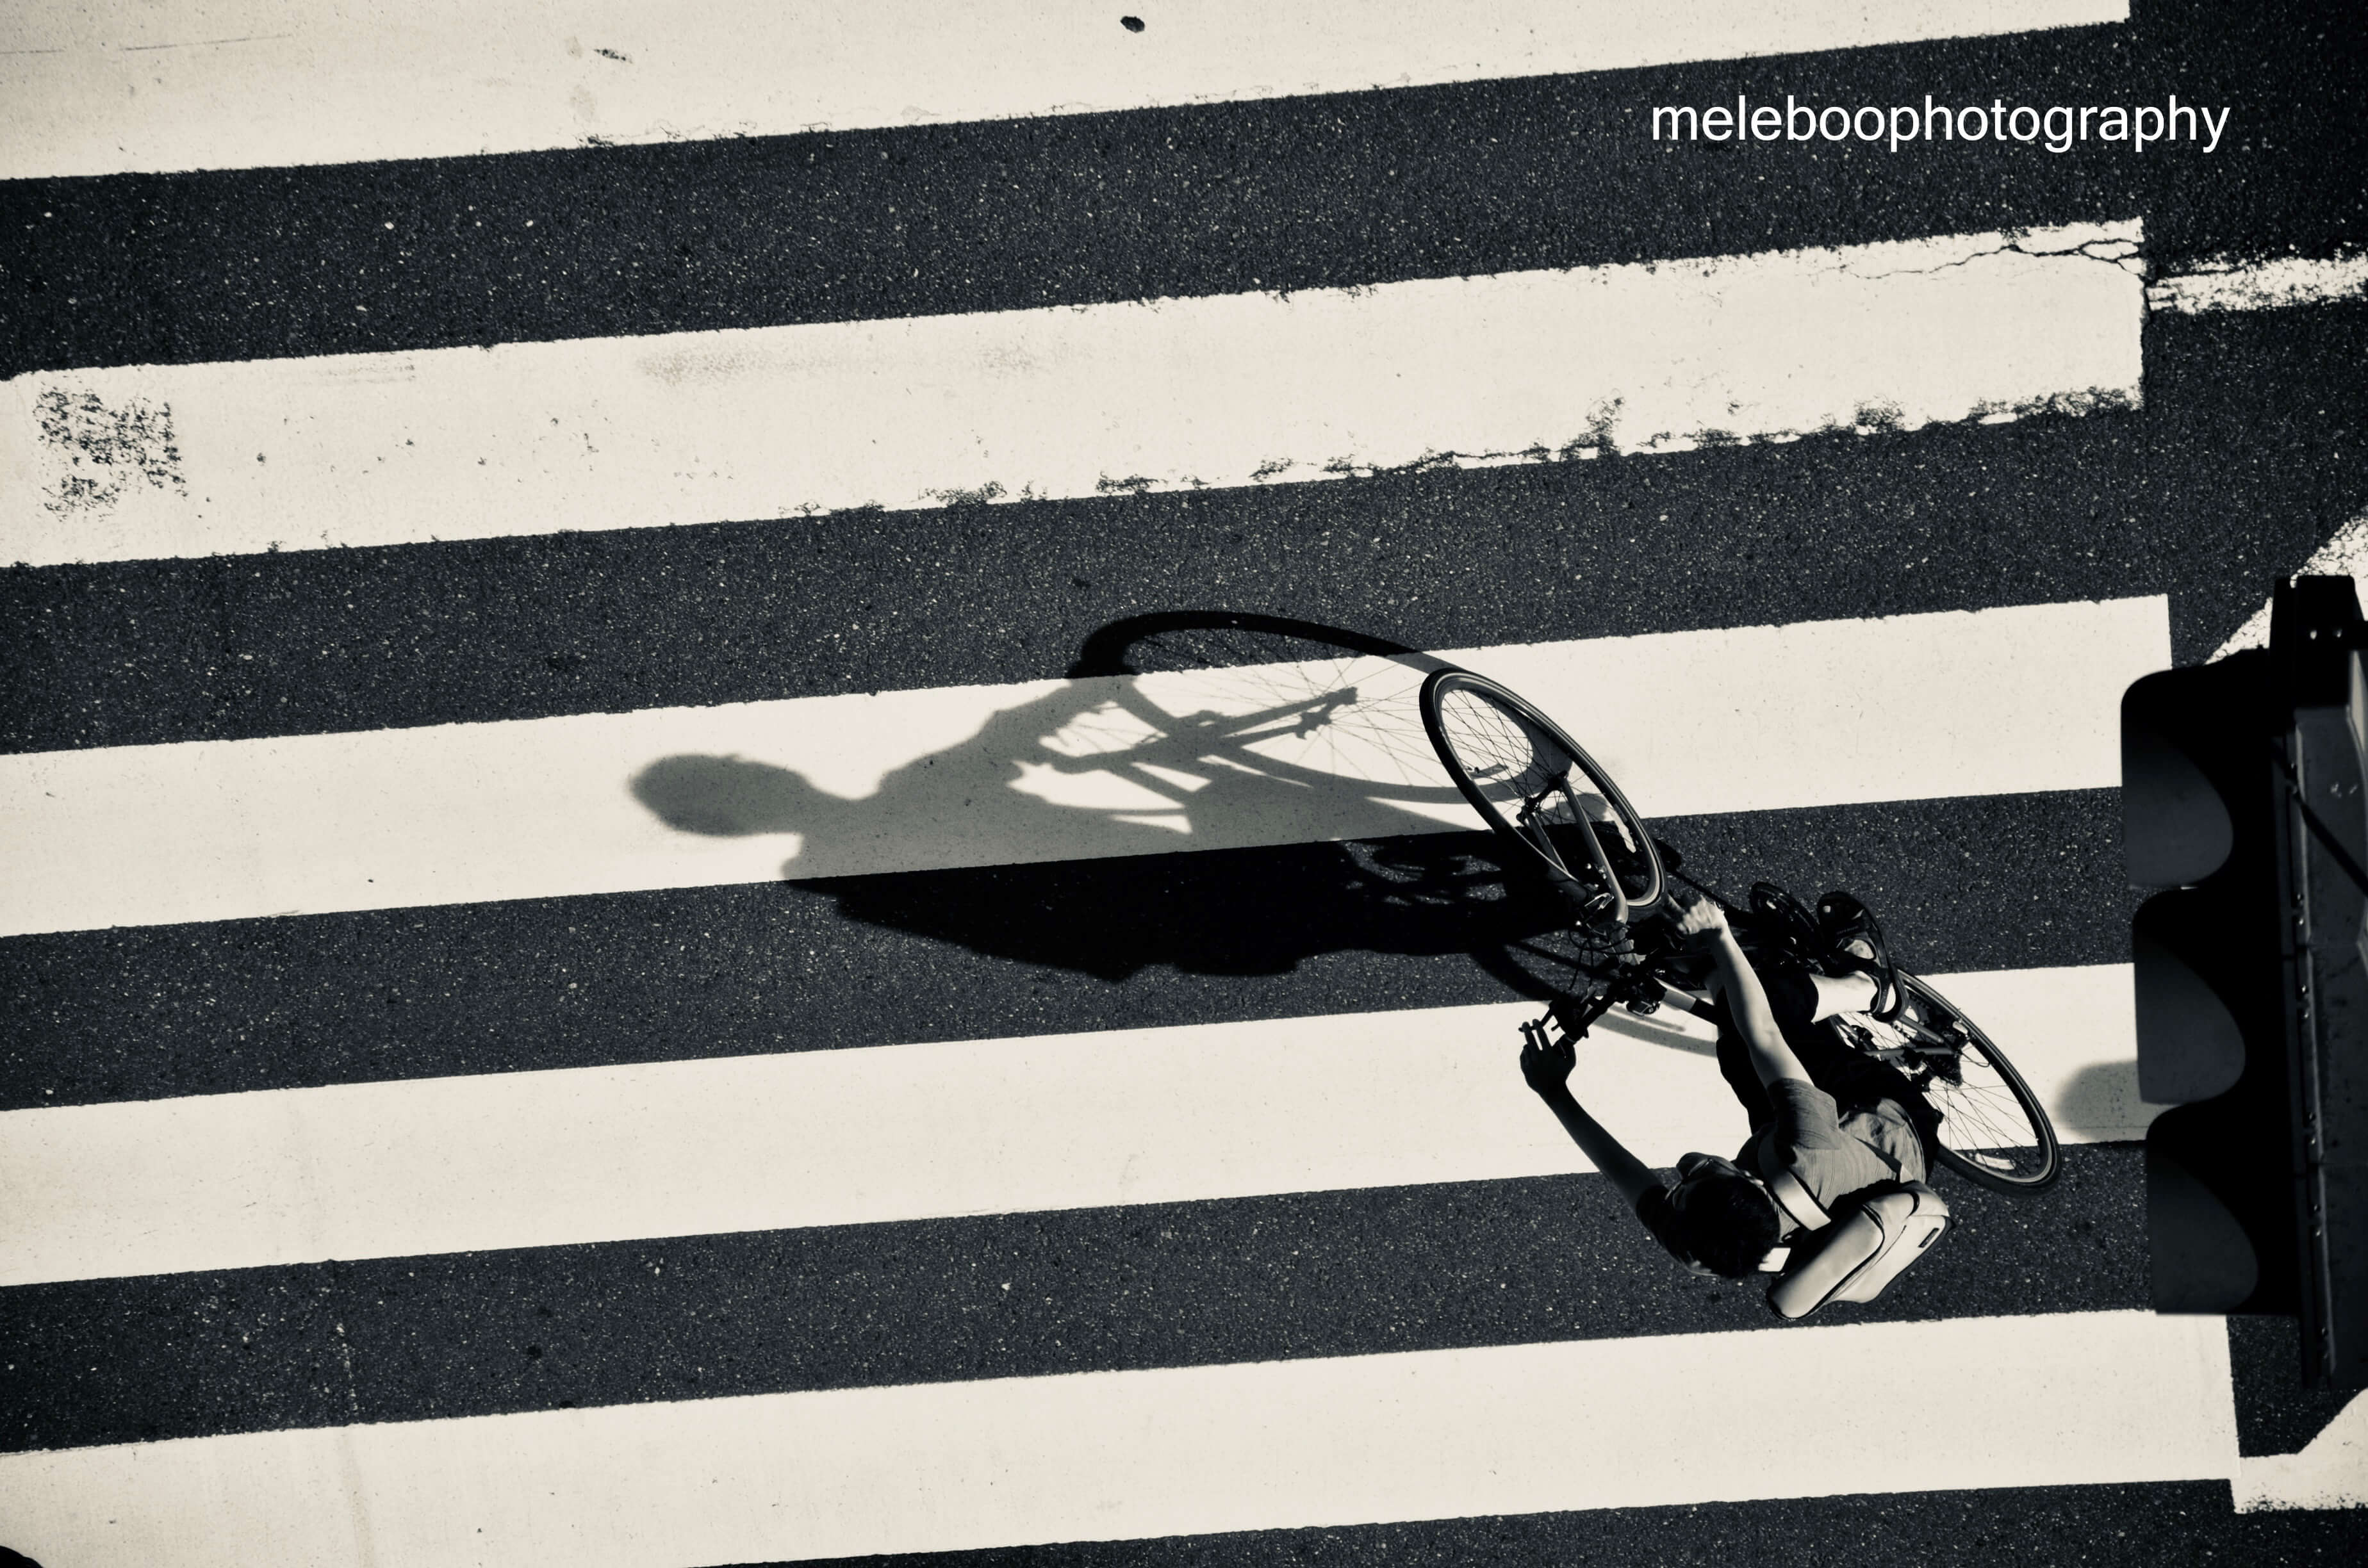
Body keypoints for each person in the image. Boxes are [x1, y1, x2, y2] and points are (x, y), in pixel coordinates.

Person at [1519, 886, 1941, 1279]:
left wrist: (1554, 1093)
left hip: (1798, 1156)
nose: (1687, 1168)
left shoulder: (1699, 1241)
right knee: (1769, 1009)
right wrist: (1720, 934)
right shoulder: (1808, 1149)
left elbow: (1623, 1175)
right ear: (1755, 1183)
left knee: (1736, 1054)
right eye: (1703, 1175)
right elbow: (1764, 1033)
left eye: (1678, 1190)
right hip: (1889, 1121)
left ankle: (1717, 975)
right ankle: (1871, 986)